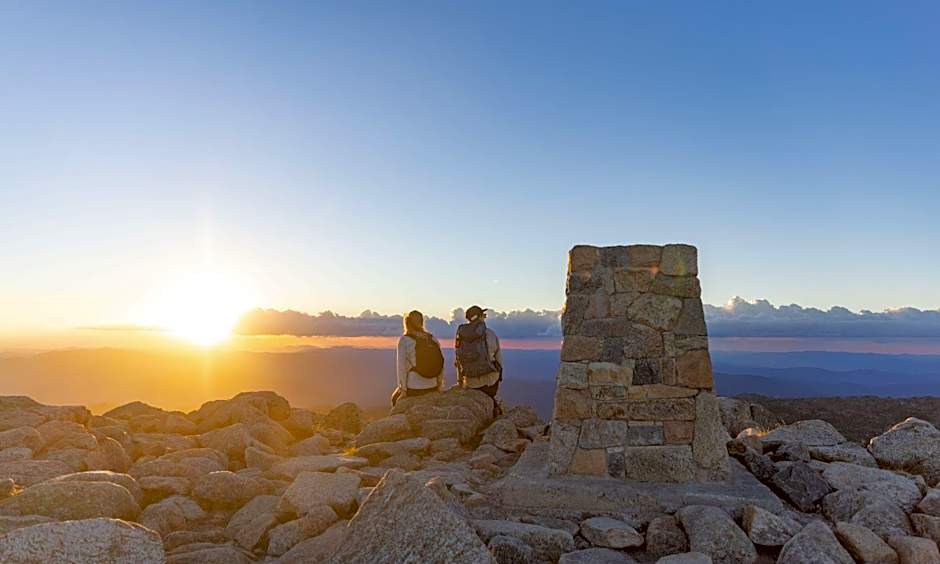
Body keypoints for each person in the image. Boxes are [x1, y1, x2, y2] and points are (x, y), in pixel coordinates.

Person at [455, 305, 502, 414]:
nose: (484, 317)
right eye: (483, 315)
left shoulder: (460, 335)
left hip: (471, 381)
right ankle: (493, 408)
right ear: (480, 317)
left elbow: (458, 357)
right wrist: (499, 373)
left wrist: (460, 381)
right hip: (490, 382)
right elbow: (498, 358)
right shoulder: (490, 333)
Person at [392, 310, 445, 406]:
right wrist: (439, 384)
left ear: (407, 322)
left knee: (394, 399)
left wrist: (403, 390)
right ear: (421, 322)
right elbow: (440, 362)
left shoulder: (404, 340)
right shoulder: (432, 338)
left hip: (414, 388)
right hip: (432, 386)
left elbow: (401, 368)